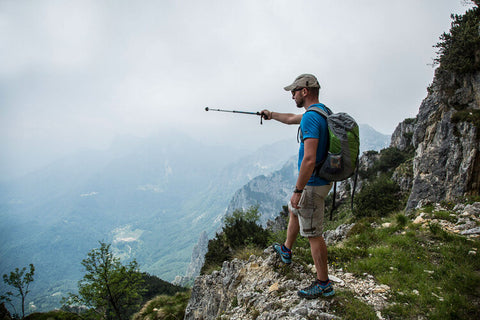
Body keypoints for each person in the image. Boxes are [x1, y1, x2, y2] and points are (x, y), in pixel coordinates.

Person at [261, 74, 334, 299]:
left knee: (314, 235)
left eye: (294, 91)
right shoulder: (322, 112)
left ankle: (324, 284)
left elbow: (309, 159)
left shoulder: (312, 118)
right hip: (322, 179)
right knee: (294, 210)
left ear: (305, 90)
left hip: (312, 184)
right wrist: (271, 115)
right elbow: (293, 118)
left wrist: (298, 190)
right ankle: (286, 250)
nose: (292, 95)